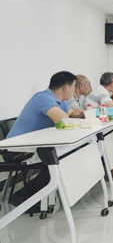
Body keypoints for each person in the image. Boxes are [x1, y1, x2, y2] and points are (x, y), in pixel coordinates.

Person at [5, 72, 77, 208]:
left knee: (67, 155)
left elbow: (72, 113)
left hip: (33, 146)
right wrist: (73, 116)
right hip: (14, 149)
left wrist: (81, 114)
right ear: (66, 88)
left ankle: (43, 196)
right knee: (59, 161)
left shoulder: (60, 101)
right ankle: (22, 197)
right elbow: (63, 119)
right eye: (74, 87)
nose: (74, 91)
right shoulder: (43, 97)